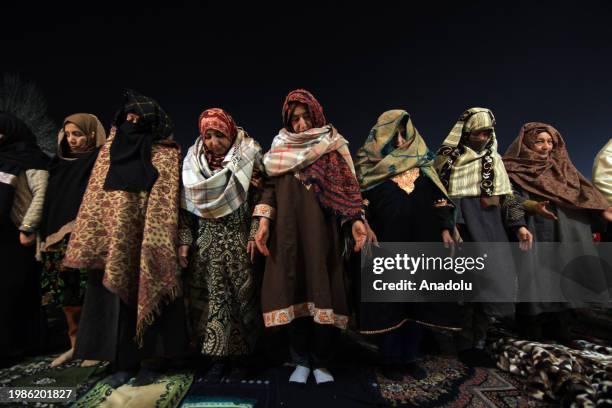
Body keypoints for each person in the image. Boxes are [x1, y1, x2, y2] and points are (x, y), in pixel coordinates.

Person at [63, 90, 186, 386]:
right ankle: (122, 360)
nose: (131, 122)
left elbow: (168, 200)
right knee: (113, 303)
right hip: (114, 242)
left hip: (148, 240)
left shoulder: (166, 154)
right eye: (127, 116)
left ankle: (151, 360)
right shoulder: (109, 152)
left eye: (138, 118)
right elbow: (96, 199)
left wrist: (159, 238)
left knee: (150, 289)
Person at [253, 89, 368, 384]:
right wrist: (263, 223)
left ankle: (321, 362)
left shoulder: (332, 147)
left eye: (306, 117)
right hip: (287, 238)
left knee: (323, 292)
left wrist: (354, 220)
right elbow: (269, 190)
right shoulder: (278, 153)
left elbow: (348, 191)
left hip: (322, 238)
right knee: (291, 293)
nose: (301, 125)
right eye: (295, 119)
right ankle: (300, 360)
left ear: (316, 115)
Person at [355, 109, 461, 380]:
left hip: (422, 241)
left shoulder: (425, 165)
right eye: (394, 135)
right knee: (390, 301)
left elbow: (440, 200)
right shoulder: (369, 170)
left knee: (418, 299)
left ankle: (411, 356)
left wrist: (446, 229)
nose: (401, 141)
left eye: (405, 134)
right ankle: (390, 359)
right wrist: (364, 224)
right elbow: (360, 204)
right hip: (386, 246)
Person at [434, 107, 532, 366]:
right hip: (460, 229)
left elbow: (507, 196)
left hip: (490, 230)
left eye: (488, 132)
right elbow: (439, 195)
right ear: (466, 133)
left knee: (488, 286)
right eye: (479, 132)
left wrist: (518, 225)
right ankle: (449, 340)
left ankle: (475, 342)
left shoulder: (495, 161)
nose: (484, 137)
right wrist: (446, 224)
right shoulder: (447, 160)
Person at [503, 122, 612, 341]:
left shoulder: (563, 170)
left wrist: (596, 221)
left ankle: (560, 328)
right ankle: (530, 329)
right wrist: (521, 223)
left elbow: (584, 196)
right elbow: (509, 198)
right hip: (536, 229)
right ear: (526, 143)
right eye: (539, 141)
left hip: (566, 230)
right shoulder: (512, 169)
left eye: (550, 142)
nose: (545, 147)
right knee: (535, 279)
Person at [178, 108, 263, 379]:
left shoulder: (248, 160)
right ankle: (215, 357)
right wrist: (184, 242)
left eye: (220, 136)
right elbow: (185, 211)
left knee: (242, 299)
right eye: (209, 136)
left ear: (231, 133)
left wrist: (253, 234)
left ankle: (242, 357)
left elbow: (258, 202)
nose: (214, 143)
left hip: (238, 244)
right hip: (206, 247)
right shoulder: (193, 167)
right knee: (211, 300)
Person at [39, 113, 106, 368]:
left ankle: (95, 345)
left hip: (86, 235)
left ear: (91, 134)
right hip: (56, 237)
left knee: (89, 288)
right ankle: (75, 344)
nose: (72, 140)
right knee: (66, 293)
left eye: (77, 134)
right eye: (68, 135)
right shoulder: (57, 165)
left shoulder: (100, 161)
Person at [0, 112, 49, 367]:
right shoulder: (4, 158)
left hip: (19, 235)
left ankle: (18, 345)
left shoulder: (31, 157)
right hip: (2, 233)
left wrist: (28, 227)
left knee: (14, 291)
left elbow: (41, 193)